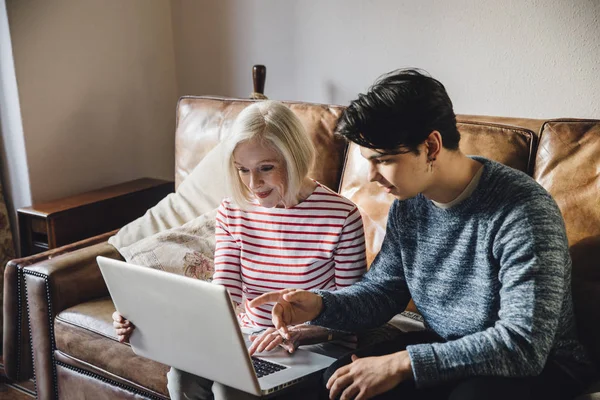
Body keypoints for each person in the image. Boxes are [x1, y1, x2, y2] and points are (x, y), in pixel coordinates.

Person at [249, 69, 595, 400]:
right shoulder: (409, 203)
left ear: (431, 146)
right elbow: (383, 293)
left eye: (382, 159)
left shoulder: (523, 211)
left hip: (540, 366)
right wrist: (319, 304)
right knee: (340, 383)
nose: (371, 176)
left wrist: (405, 363)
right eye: (367, 160)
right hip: (447, 347)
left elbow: (523, 345)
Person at [113, 100, 368, 399]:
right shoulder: (233, 211)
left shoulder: (342, 216)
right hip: (250, 339)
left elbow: (353, 313)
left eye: (266, 168)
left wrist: (299, 333)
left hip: (317, 345)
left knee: (229, 388)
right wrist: (146, 319)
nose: (253, 184)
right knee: (182, 377)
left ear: (295, 157)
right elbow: (223, 296)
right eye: (242, 170)